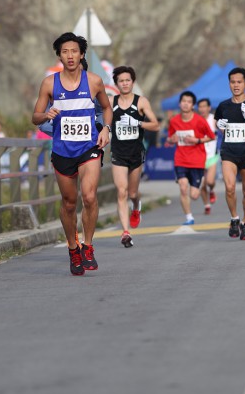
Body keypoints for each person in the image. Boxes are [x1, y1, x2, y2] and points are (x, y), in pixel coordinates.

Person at [32, 32, 112, 276]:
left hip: (89, 148)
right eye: (65, 51)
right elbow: (35, 117)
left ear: (81, 54)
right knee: (68, 203)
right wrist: (46, 115)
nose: (70, 56)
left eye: (74, 51)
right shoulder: (49, 84)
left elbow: (107, 108)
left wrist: (106, 129)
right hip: (62, 150)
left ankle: (88, 246)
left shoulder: (94, 81)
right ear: (59, 55)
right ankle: (73, 248)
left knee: (89, 196)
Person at [109, 66, 160, 248]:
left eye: (128, 80)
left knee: (132, 193)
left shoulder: (141, 102)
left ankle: (136, 206)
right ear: (116, 84)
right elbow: (100, 119)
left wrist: (137, 122)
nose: (125, 83)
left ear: (133, 82)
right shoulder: (111, 102)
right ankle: (125, 232)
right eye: (121, 81)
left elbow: (156, 125)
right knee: (121, 192)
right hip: (118, 152)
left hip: (136, 152)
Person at [214, 67, 245, 240]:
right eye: (233, 82)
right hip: (229, 152)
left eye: (239, 82)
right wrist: (220, 126)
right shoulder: (223, 106)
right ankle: (234, 218)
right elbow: (219, 124)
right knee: (230, 187)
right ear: (229, 84)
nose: (236, 85)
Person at [166, 91, 215, 225]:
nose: (186, 104)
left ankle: (201, 182)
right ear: (179, 103)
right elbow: (169, 138)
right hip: (180, 159)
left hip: (197, 161)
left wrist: (197, 140)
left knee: (194, 195)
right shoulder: (174, 121)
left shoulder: (200, 120)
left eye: (189, 102)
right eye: (184, 101)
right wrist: (171, 139)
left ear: (193, 105)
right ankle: (189, 217)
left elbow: (212, 137)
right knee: (183, 187)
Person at [197, 98, 219, 215]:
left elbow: (223, 129)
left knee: (209, 181)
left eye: (204, 106)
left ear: (209, 108)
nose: (202, 109)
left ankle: (212, 189)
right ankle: (207, 205)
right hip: (199, 156)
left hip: (212, 156)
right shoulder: (196, 120)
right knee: (201, 184)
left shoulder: (213, 119)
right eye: (200, 107)